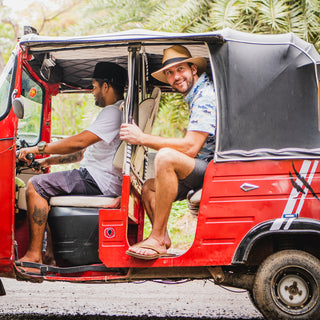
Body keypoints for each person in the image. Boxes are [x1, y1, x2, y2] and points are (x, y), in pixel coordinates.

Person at [17, 61, 127, 270]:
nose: (92, 91)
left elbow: (79, 142)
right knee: (46, 188)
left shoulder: (112, 112)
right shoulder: (114, 112)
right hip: (96, 176)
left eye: (94, 86)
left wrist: (38, 149)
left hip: (97, 179)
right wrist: (48, 160)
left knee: (36, 186)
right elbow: (82, 152)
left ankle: (34, 255)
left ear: (106, 86)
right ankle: (49, 256)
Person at [120, 45, 216, 260]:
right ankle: (162, 239)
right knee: (149, 188)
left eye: (180, 69)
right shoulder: (197, 94)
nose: (175, 77)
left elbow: (191, 147)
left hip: (214, 169)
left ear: (193, 68)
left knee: (165, 157)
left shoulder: (205, 97)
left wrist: (142, 138)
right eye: (170, 73)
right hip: (202, 165)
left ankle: (154, 237)